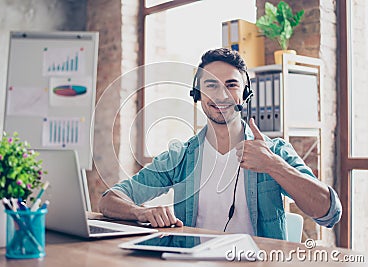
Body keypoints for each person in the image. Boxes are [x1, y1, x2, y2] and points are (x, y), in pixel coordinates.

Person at [99, 48, 342, 240]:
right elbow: (109, 200)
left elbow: (329, 213)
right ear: (197, 94)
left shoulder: (273, 151)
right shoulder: (181, 156)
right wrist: (141, 212)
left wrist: (274, 166)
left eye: (231, 85)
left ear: (245, 93)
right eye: (211, 85)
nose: (221, 95)